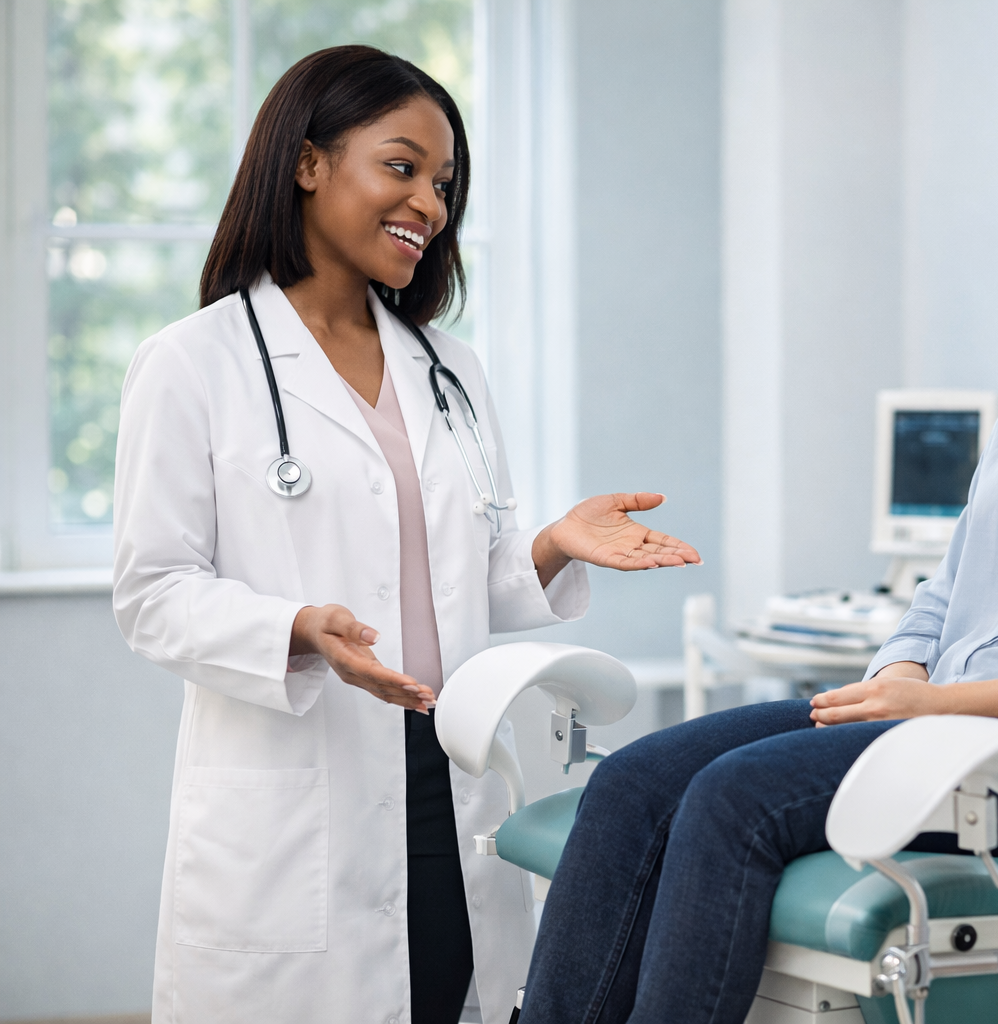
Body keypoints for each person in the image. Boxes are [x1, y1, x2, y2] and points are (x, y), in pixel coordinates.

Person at [517, 89, 998, 1024]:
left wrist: (938, 705)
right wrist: (898, 674)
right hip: (945, 724)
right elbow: (945, 593)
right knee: (634, 780)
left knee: (736, 800)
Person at [112, 45, 699, 1024]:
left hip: (449, 767)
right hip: (301, 780)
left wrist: (552, 543)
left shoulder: (450, 369)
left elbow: (470, 581)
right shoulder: (193, 362)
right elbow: (152, 591)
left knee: (445, 997)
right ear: (307, 164)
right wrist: (300, 626)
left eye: (444, 183)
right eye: (402, 166)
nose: (429, 202)